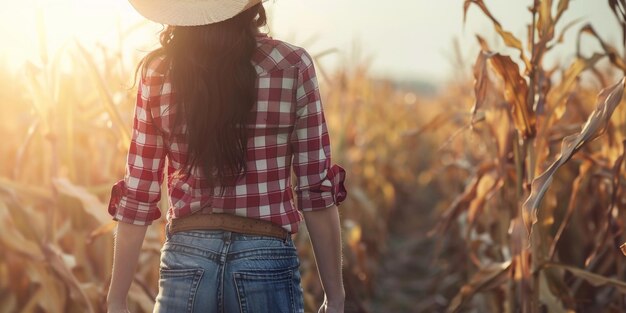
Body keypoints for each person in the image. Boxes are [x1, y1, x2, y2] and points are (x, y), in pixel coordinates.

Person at [105, 0, 348, 312]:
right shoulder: (292, 64)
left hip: (188, 258)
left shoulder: (158, 72)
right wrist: (335, 296)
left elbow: (139, 193)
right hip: (266, 257)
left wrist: (116, 299)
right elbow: (316, 189)